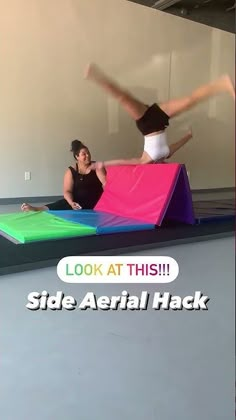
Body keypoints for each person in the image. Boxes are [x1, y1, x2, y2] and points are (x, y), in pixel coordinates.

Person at [84, 63, 235, 169]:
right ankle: (222, 83)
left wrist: (102, 164)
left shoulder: (144, 161)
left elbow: (124, 161)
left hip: (146, 122)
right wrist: (189, 135)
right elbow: (176, 146)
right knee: (190, 101)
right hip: (160, 118)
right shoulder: (165, 155)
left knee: (123, 97)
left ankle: (96, 76)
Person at [21, 140, 106, 212]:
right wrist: (71, 203)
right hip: (77, 202)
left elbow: (106, 184)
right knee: (61, 203)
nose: (88, 156)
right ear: (77, 157)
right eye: (84, 154)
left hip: (96, 201)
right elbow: (67, 191)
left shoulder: (97, 167)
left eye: (88, 153)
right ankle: (37, 209)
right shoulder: (70, 171)